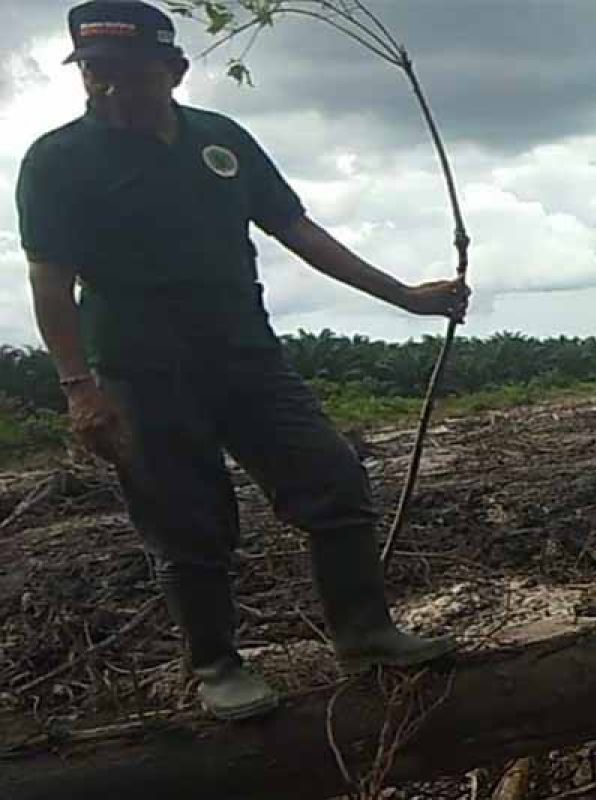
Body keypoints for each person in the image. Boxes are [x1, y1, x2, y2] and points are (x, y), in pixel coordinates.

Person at [16, 0, 468, 721]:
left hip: (245, 354)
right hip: (138, 370)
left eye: (127, 74)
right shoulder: (57, 160)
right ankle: (218, 666)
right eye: (95, 74)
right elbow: (49, 281)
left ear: (173, 71)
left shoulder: (221, 141)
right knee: (186, 520)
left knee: (332, 476)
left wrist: (404, 296)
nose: (107, 89)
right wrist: (79, 388)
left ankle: (365, 632)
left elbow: (298, 230)